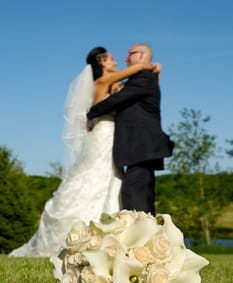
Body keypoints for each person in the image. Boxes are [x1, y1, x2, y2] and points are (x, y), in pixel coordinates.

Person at [9, 46, 160, 257]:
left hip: (112, 139)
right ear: (102, 63)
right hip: (103, 136)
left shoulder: (115, 83)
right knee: (95, 175)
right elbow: (127, 80)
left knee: (111, 180)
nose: (118, 61)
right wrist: (145, 65)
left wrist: (154, 74)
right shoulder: (102, 82)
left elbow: (135, 93)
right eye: (112, 58)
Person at [87, 43, 174, 216]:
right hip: (139, 149)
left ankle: (140, 238)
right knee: (142, 195)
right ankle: (148, 237)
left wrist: (90, 114)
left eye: (130, 54)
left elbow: (116, 100)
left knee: (133, 194)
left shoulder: (143, 77)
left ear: (141, 55)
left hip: (142, 148)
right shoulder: (141, 78)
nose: (125, 59)